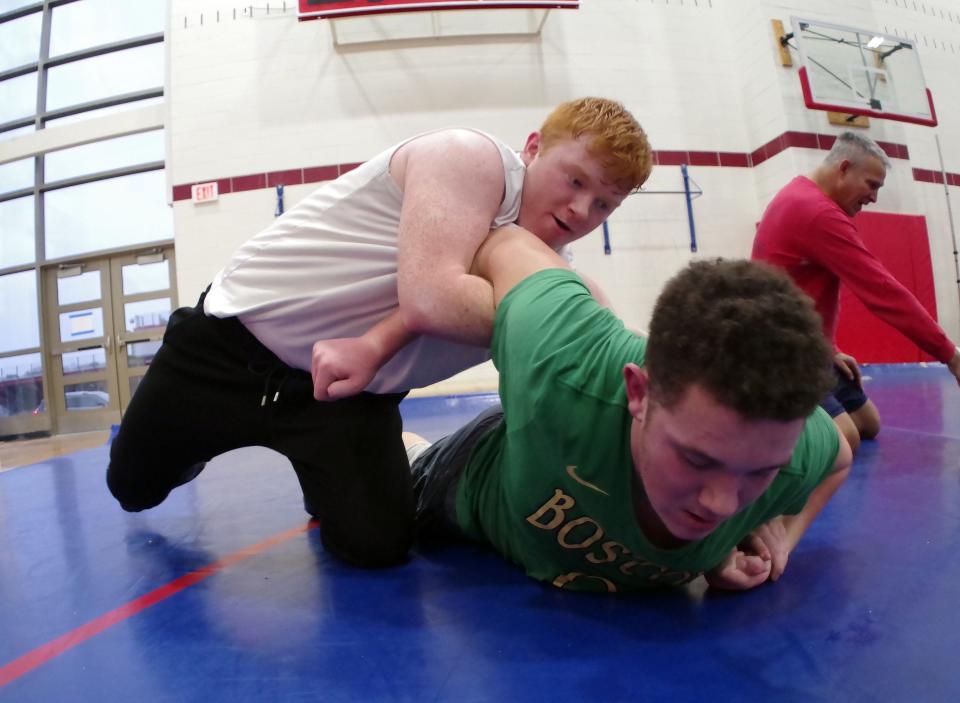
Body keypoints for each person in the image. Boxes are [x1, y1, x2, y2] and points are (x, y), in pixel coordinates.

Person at [106, 98, 653, 569]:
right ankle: (188, 446)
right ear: (533, 147)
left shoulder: (553, 276)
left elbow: (608, 349)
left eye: (605, 203)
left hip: (348, 398)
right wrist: (572, 332)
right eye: (575, 180)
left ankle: (320, 470)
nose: (582, 209)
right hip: (225, 352)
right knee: (132, 487)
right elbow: (432, 299)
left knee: (379, 546)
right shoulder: (468, 156)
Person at [397, 226, 852, 593]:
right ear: (638, 393)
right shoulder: (561, 357)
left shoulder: (795, 453)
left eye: (757, 473)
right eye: (696, 459)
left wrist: (777, 538)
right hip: (476, 481)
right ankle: (413, 446)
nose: (721, 503)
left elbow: (839, 458)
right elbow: (505, 241)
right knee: (381, 520)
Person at [752, 131, 960, 453]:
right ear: (844, 168)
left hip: (807, 346)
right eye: (872, 185)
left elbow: (796, 285)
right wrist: (951, 355)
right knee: (843, 441)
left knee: (868, 424)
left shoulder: (800, 194)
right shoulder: (818, 213)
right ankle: (759, 415)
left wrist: (829, 348)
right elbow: (883, 293)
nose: (874, 197)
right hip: (781, 354)